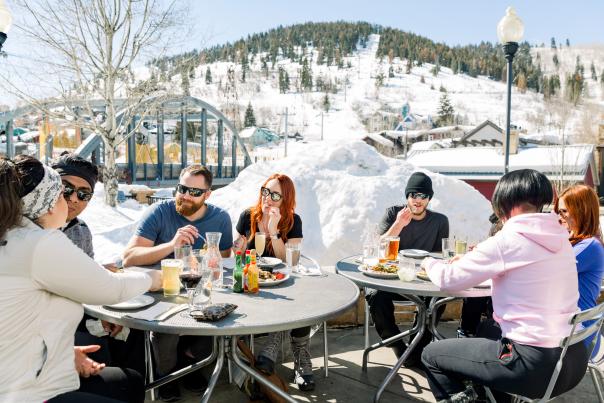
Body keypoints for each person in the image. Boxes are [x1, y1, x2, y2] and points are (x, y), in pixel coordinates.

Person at [0, 156, 162, 403]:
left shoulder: (15, 235)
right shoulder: (40, 242)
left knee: (129, 381)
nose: (71, 200)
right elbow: (111, 289)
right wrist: (154, 278)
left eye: (83, 194)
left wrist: (64, 354)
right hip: (20, 390)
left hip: (28, 364)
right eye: (63, 193)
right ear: (50, 204)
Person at [420, 169, 588, 402]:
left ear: (503, 203)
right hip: (573, 359)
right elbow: (527, 274)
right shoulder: (559, 238)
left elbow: (448, 279)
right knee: (488, 328)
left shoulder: (507, 240)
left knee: (431, 355)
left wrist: (428, 262)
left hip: (534, 367)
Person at [122, 164, 233, 402]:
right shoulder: (159, 212)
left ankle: (190, 364)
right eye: (182, 188)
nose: (186, 195)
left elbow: (224, 261)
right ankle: (167, 376)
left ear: (207, 194)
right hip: (164, 291)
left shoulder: (221, 218)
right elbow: (129, 257)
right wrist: (172, 244)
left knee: (224, 320)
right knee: (166, 332)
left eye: (195, 192)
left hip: (204, 291)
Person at [52, 153, 147, 378]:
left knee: (131, 328)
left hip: (79, 309)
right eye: (66, 188)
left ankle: (132, 387)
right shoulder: (27, 229)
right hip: (49, 322)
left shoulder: (81, 230)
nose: (74, 198)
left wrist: (104, 313)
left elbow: (87, 284)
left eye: (84, 194)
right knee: (97, 342)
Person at [233, 174, 313, 391]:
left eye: (275, 194)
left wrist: (275, 231)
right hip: (252, 284)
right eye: (265, 191)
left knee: (300, 299)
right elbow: (238, 252)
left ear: (285, 199)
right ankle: (270, 349)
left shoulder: (293, 221)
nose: (267, 198)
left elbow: (291, 262)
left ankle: (295, 356)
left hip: (281, 281)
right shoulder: (248, 216)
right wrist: (236, 248)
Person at [366, 171, 449, 366]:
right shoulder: (393, 213)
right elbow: (379, 248)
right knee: (374, 294)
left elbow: (439, 257)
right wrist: (399, 224)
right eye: (413, 195)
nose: (418, 200)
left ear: (429, 198)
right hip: (392, 279)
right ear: (407, 196)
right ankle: (397, 345)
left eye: (423, 196)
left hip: (421, 280)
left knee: (440, 296)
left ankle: (417, 347)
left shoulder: (439, 221)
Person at [554, 184, 604, 353]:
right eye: (557, 211)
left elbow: (547, 271)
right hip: (575, 330)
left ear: (581, 211)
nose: (559, 217)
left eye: (564, 212)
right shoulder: (579, 242)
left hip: (577, 338)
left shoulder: (588, 245)